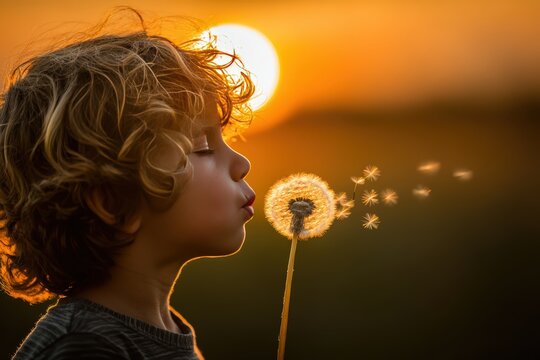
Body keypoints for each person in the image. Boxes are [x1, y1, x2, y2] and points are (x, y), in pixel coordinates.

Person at [0, 6, 256, 360]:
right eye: (203, 145)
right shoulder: (85, 349)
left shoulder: (163, 331)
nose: (242, 164)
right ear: (112, 202)